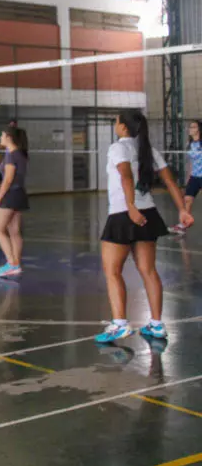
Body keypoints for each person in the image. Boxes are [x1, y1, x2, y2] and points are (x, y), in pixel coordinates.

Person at [96, 109, 193, 344]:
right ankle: (157, 325)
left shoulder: (117, 148)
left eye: (116, 121)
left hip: (123, 213)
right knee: (148, 271)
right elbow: (170, 181)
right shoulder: (149, 150)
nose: (115, 125)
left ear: (123, 127)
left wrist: (130, 206)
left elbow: (126, 176)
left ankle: (120, 324)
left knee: (112, 271)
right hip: (148, 213)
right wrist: (183, 210)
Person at [0, 127, 30, 278]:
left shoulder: (12, 155)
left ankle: (12, 263)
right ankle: (16, 263)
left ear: (9, 137)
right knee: (14, 231)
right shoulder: (19, 153)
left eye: (2, 135)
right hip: (19, 194)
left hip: (10, 195)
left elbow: (7, 180)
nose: (0, 137)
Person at [171, 119, 202, 235]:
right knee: (187, 199)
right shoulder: (190, 144)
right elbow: (191, 163)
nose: (190, 129)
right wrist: (189, 177)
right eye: (190, 127)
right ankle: (183, 225)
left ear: (199, 129)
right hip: (194, 176)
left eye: (193, 127)